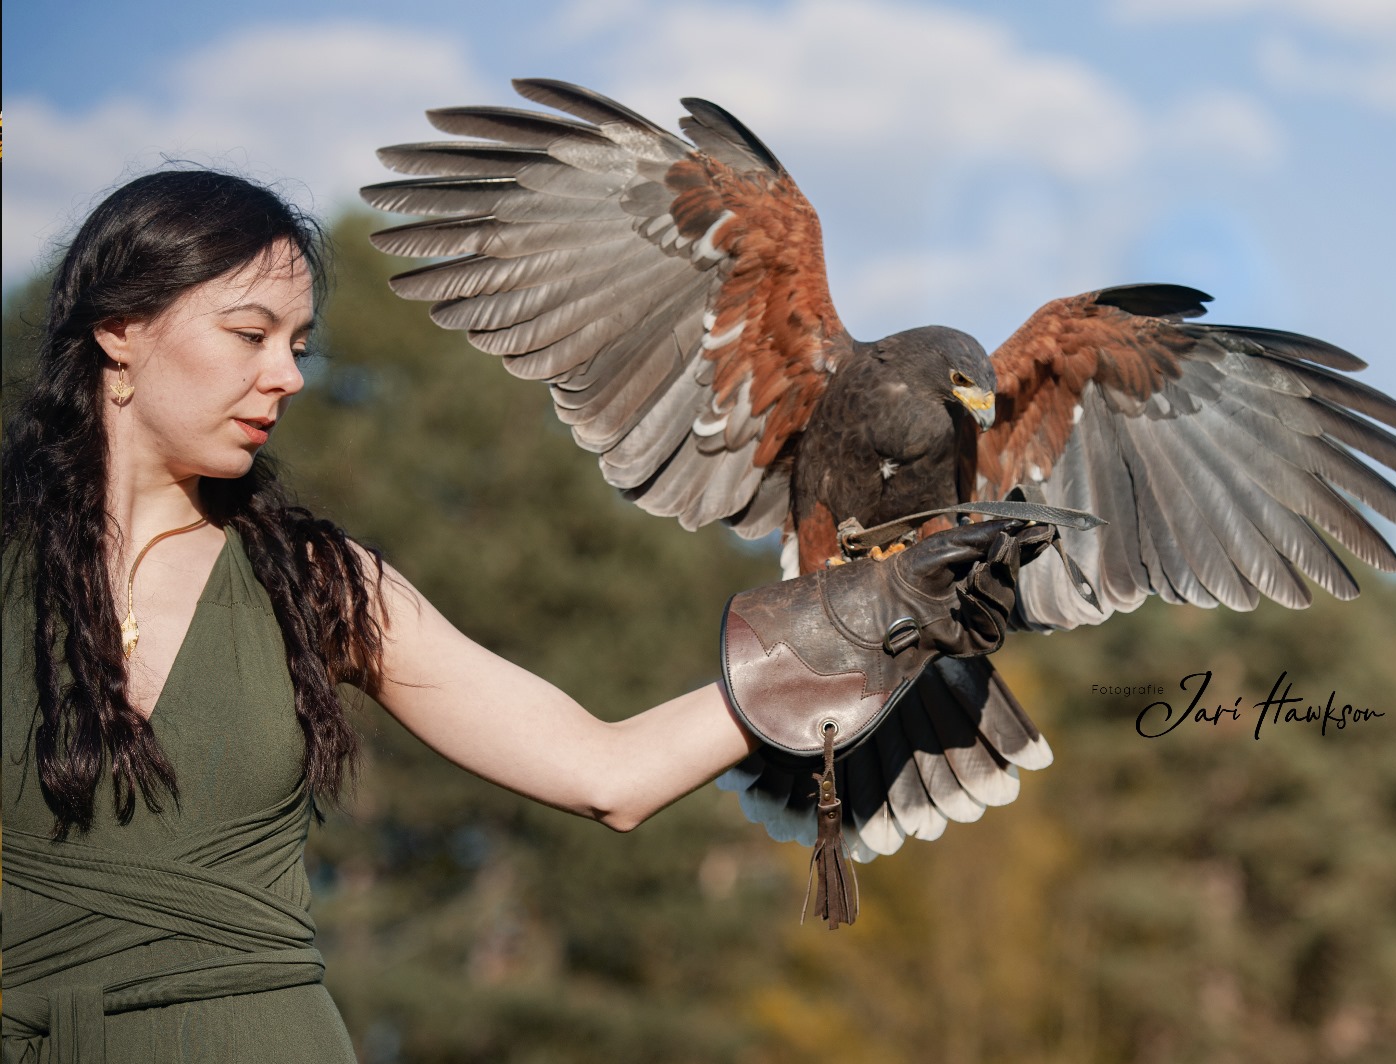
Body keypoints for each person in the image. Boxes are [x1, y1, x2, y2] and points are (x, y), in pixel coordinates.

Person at [0, 169, 1039, 1062]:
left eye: (302, 345)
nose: (288, 376)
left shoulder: (315, 584)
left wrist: (869, 623)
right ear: (119, 331)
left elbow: (607, 772)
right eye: (250, 335)